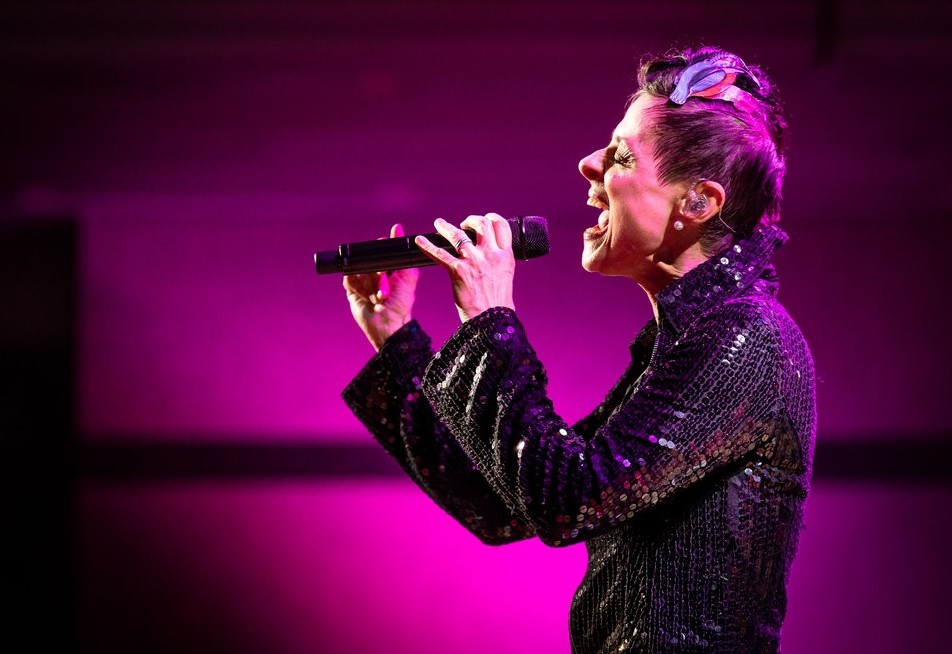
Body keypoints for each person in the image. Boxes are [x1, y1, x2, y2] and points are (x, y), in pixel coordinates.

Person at [339, 45, 816, 653]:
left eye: (620, 155)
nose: (589, 165)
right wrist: (397, 338)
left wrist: (489, 319)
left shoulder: (746, 340)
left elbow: (570, 501)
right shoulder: (688, 342)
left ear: (697, 203)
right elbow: (498, 501)